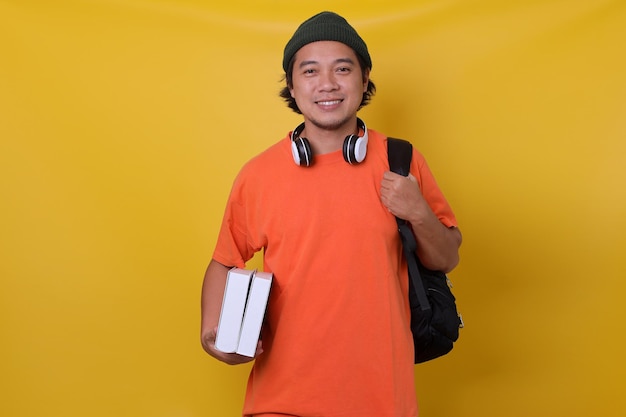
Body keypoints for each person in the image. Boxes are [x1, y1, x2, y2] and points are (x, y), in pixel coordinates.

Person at [200, 11, 462, 417]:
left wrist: (418, 212)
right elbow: (223, 260)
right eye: (310, 71)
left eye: (342, 69)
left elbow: (446, 258)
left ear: (364, 77)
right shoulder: (259, 175)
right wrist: (212, 333)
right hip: (281, 401)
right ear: (292, 83)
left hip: (383, 400)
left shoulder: (400, 161)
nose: (327, 84)